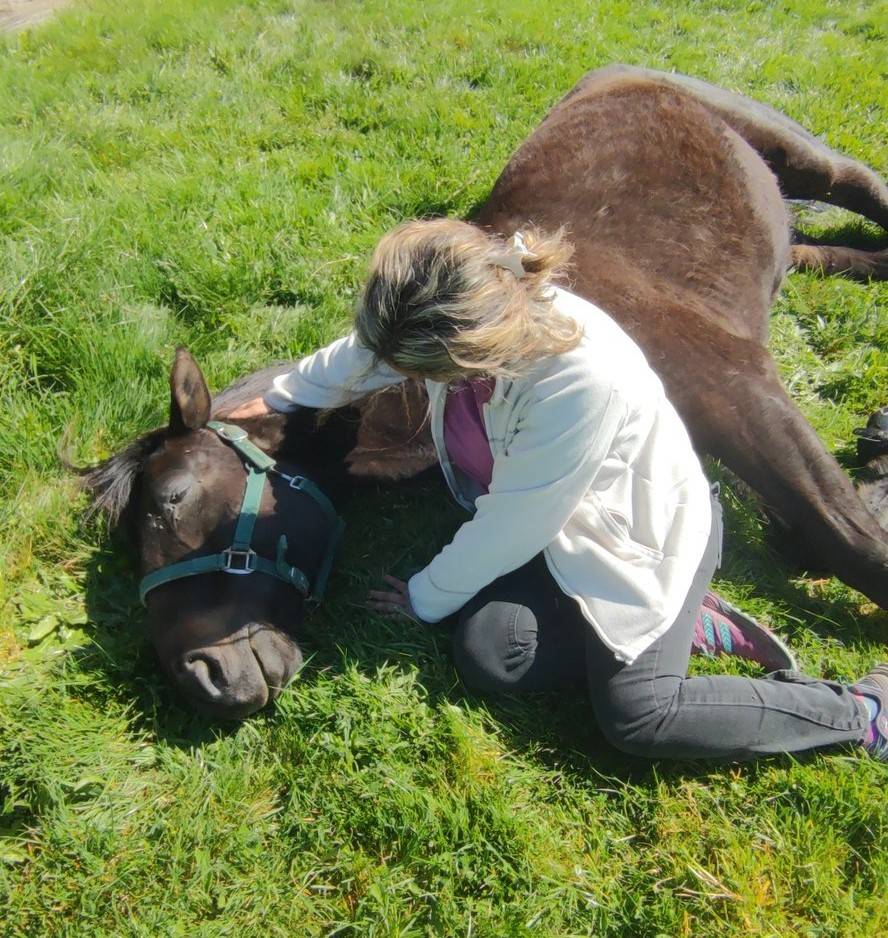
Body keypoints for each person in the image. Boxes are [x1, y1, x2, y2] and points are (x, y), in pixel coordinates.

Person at [230, 218, 887, 762]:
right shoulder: (465, 305)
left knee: (641, 719)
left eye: (417, 370)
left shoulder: (579, 384)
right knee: (495, 655)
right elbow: (367, 354)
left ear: (472, 355)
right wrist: (276, 397)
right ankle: (691, 624)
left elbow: (516, 522)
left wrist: (423, 596)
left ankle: (859, 710)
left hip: (636, 536)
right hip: (558, 530)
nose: (394, 374)